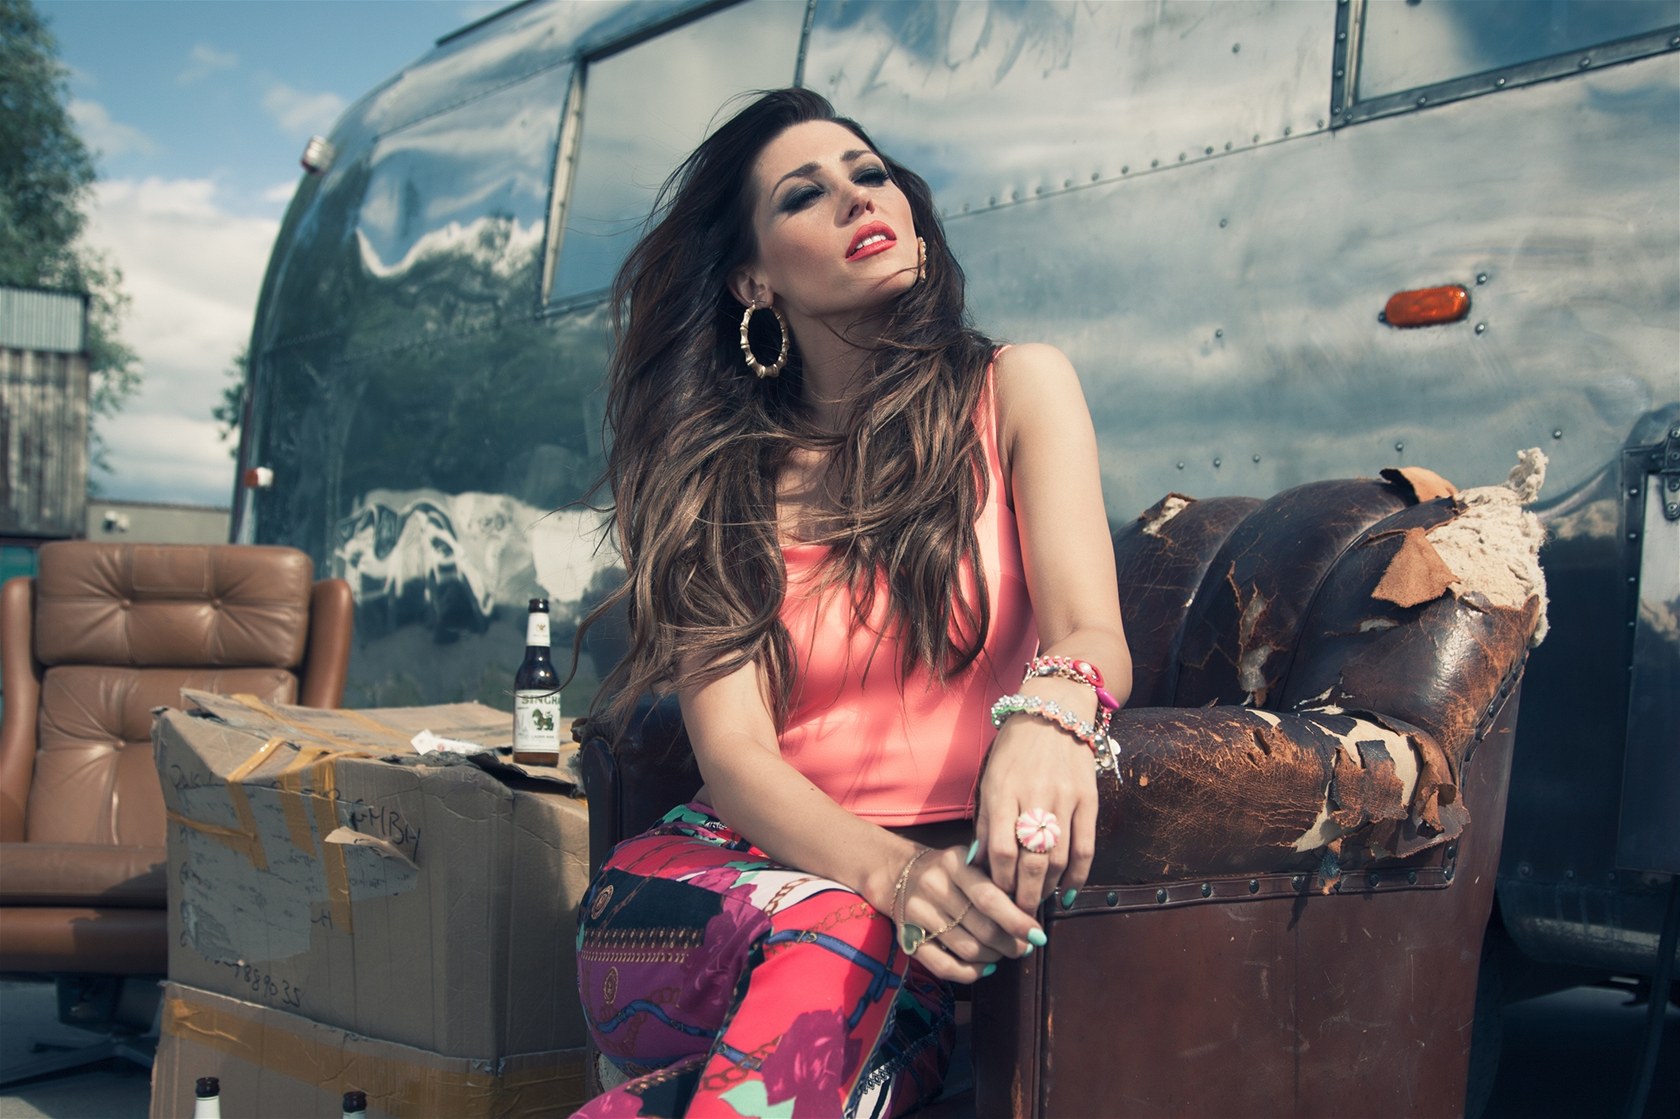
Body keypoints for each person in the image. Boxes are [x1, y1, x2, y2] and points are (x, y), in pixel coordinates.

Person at [572, 88, 1130, 1118]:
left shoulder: (1018, 387)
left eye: (869, 174)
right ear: (753, 279)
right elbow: (736, 758)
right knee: (845, 934)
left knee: (817, 1036)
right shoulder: (720, 479)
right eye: (804, 194)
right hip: (693, 900)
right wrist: (897, 877)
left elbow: (1090, 629)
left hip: (901, 943)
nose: (856, 197)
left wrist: (1050, 713)